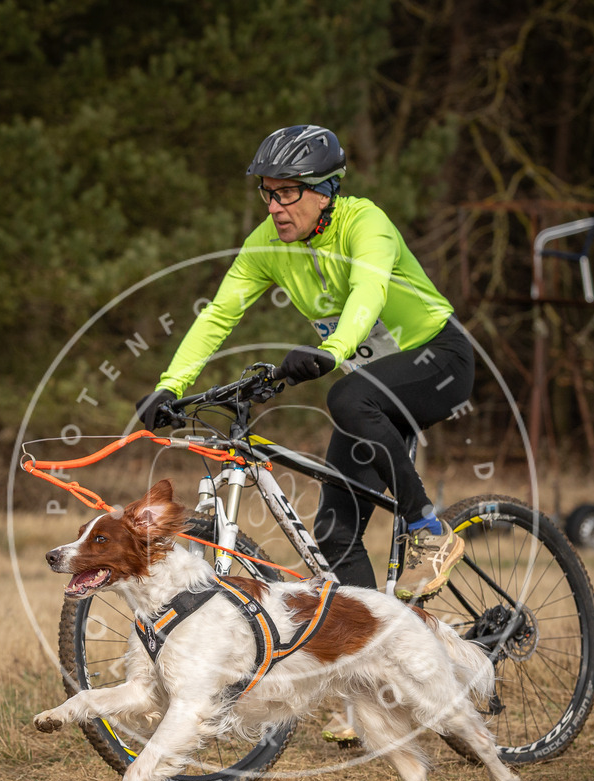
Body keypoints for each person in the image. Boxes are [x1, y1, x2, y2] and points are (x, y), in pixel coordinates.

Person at [136, 124, 471, 605]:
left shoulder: (365, 223)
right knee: (334, 534)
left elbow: (367, 292)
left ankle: (427, 527)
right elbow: (219, 315)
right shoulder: (266, 243)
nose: (274, 207)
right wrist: (170, 385)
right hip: (372, 391)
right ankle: (376, 653)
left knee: (346, 396)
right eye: (268, 194)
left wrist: (332, 350)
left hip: (438, 359)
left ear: (325, 191)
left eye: (287, 193)